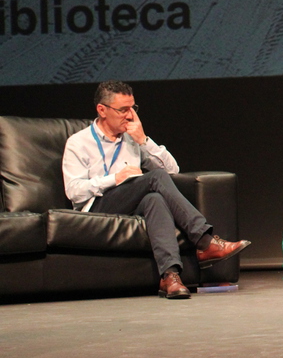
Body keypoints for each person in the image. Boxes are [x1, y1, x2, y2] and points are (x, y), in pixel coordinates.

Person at [62, 81, 251, 299]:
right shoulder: (78, 143)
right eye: (123, 110)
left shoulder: (132, 138)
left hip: (130, 204)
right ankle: (204, 241)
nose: (130, 115)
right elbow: (74, 191)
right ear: (102, 110)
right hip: (97, 207)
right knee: (155, 179)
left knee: (154, 199)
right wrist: (114, 179)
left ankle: (170, 276)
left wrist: (143, 140)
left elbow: (173, 170)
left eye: (133, 108)